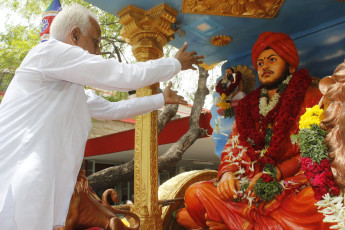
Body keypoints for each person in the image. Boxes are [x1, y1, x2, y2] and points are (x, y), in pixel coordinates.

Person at [0, 4, 204, 230]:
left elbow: (113, 110)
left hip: (44, 190)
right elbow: (121, 75)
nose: (98, 52)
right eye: (96, 42)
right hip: (20, 182)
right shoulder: (47, 53)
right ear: (75, 35)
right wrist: (174, 63)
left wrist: (160, 100)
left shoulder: (73, 90)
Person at [176, 32, 332, 229]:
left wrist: (277, 172)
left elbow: (318, 151)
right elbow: (233, 148)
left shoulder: (312, 96)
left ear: (291, 66)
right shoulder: (249, 106)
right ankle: (241, 220)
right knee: (194, 193)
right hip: (249, 185)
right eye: (259, 63)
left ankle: (229, 222)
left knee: (316, 198)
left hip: (290, 184)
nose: (264, 67)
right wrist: (226, 174)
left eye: (272, 60)